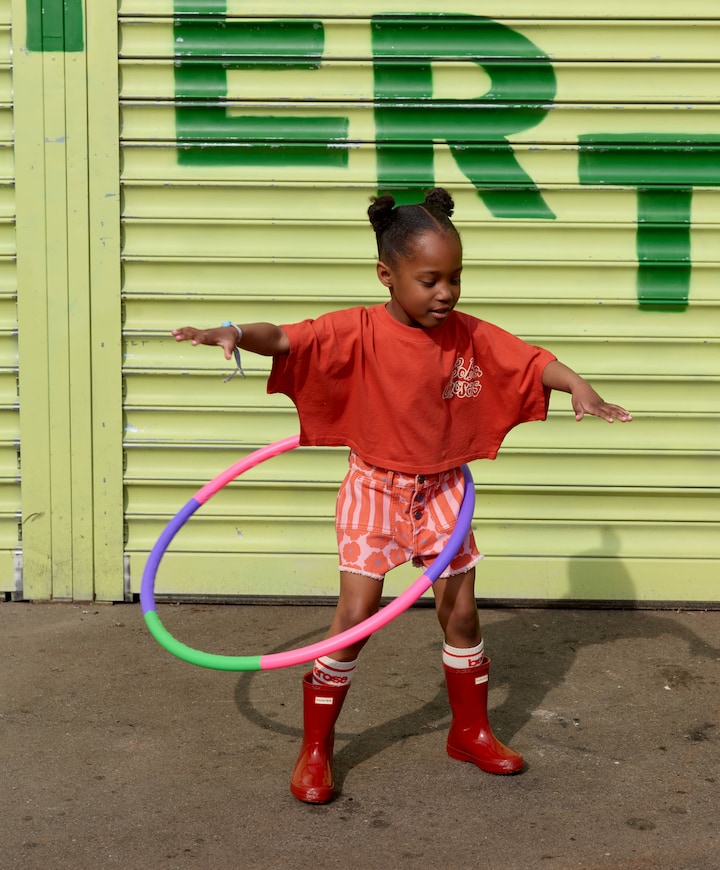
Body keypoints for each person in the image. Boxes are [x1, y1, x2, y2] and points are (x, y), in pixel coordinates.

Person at [172, 188, 632, 804]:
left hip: (443, 490)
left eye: (455, 278)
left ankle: (470, 731)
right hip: (375, 491)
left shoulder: (469, 336)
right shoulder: (356, 329)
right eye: (429, 280)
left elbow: (531, 363)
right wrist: (227, 331)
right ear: (387, 276)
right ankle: (315, 749)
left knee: (462, 614)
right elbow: (283, 339)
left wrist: (580, 387)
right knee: (355, 621)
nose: (445, 292)